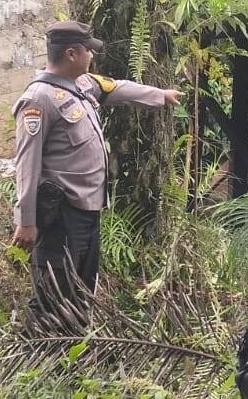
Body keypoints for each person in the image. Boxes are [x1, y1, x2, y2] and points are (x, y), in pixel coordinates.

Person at [12, 21, 182, 326]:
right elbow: (27, 164)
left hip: (88, 212)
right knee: (55, 292)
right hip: (60, 214)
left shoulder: (83, 84)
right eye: (89, 50)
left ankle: (74, 355)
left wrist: (160, 95)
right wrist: (26, 221)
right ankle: (44, 357)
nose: (93, 55)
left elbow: (116, 87)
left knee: (81, 288)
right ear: (72, 53)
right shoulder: (39, 100)